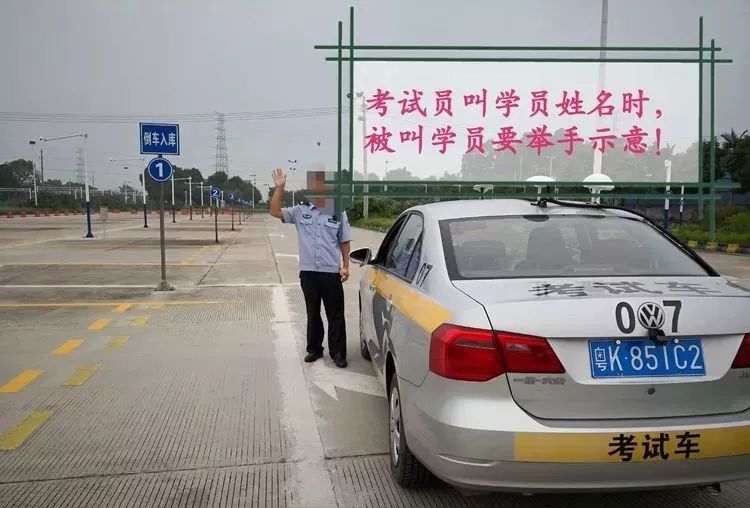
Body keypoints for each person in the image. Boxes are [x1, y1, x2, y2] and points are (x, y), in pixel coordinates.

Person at [269, 168, 351, 368]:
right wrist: (279, 188)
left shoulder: (338, 212)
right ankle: (314, 349)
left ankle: (338, 352)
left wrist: (346, 266)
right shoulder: (300, 211)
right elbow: (274, 211)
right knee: (312, 313)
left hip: (331, 272)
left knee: (335, 315)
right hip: (309, 273)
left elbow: (345, 241)